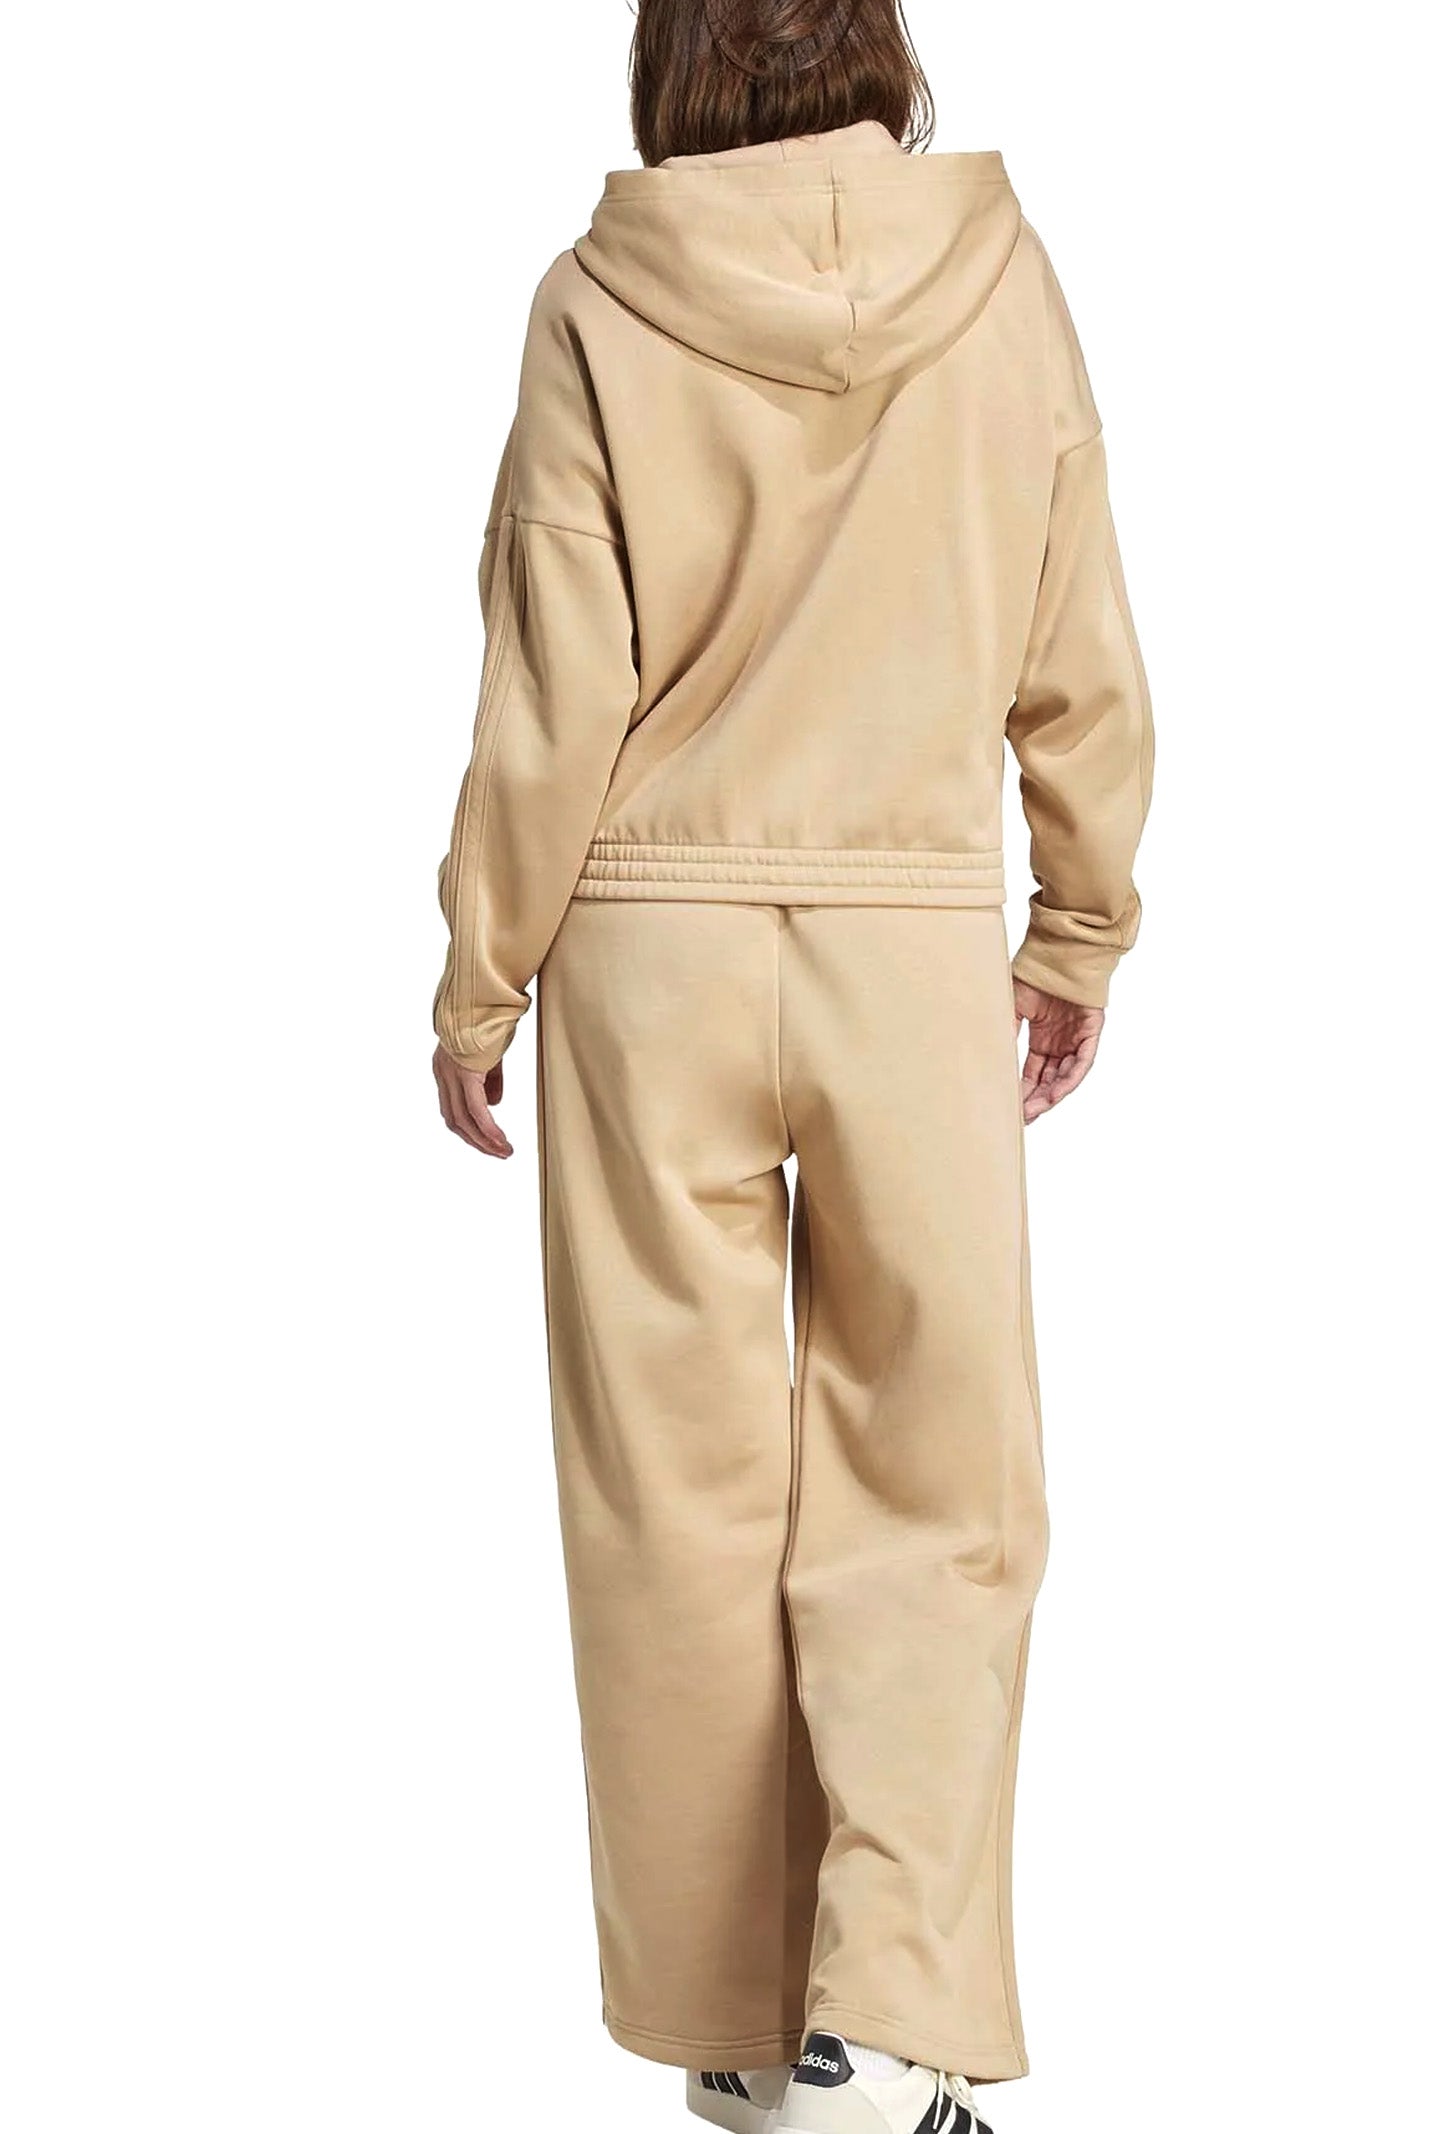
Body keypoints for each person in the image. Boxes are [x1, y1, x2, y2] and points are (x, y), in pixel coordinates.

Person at [431, 3, 1153, 2129]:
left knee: (669, 1496)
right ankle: (884, 2019)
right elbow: (1078, 641)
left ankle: (743, 2034)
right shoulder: (999, 279)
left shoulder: (598, 298)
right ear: (882, 53)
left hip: (643, 946)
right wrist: (1078, 920)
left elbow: (551, 680)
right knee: (936, 1482)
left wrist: (480, 973)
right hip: (905, 940)